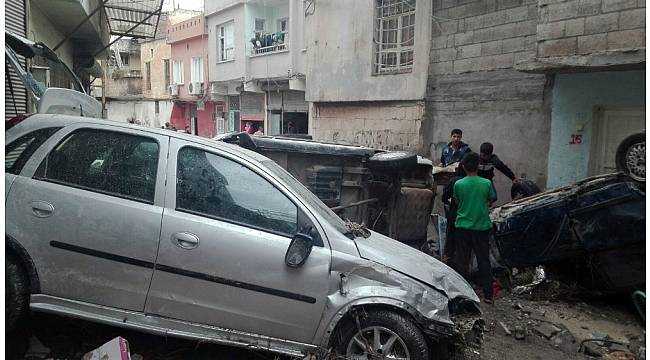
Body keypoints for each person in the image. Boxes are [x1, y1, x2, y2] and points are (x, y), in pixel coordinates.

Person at [453, 152, 496, 304]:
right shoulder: (486, 183)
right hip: (481, 226)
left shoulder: (458, 184)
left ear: (463, 166)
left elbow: (457, 201)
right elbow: (490, 200)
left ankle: (464, 294)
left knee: (463, 260)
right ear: (478, 166)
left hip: (463, 226)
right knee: (483, 260)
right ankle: (488, 295)